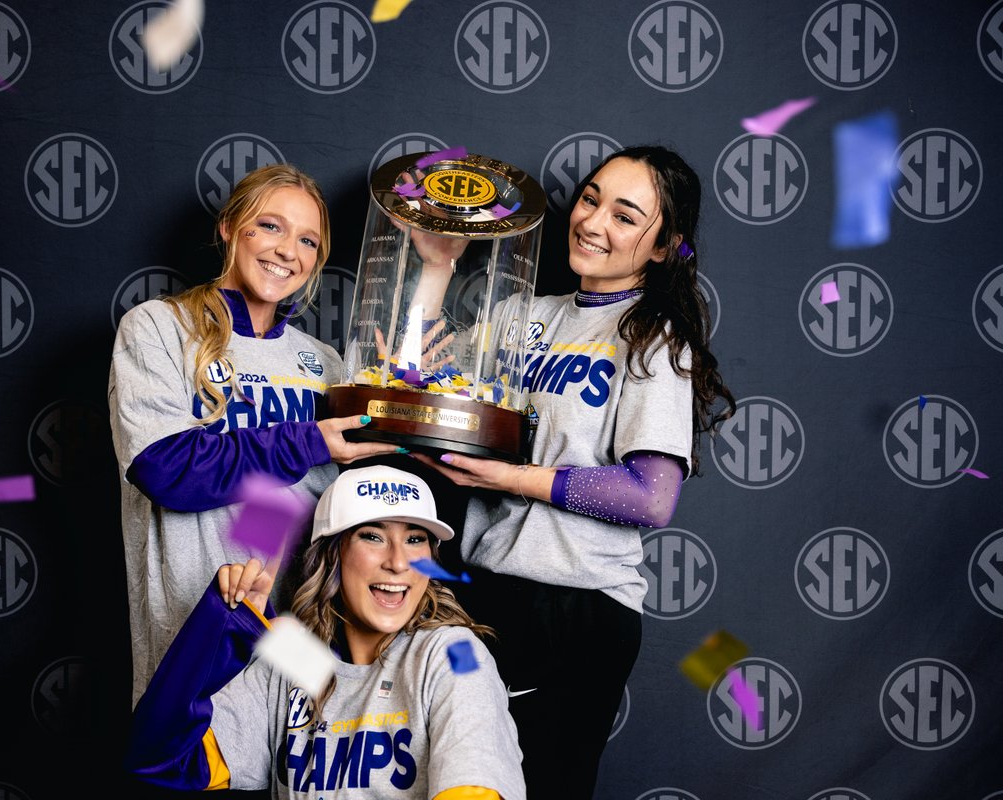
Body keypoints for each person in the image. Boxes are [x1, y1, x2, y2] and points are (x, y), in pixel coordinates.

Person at [412, 145, 736, 797]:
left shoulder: (653, 337)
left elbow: (652, 497)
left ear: (663, 246)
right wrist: (438, 267)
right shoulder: (520, 316)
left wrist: (513, 478)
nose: (592, 221)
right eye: (590, 199)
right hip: (481, 593)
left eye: (625, 215)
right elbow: (418, 386)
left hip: (578, 606)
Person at [109, 164, 400, 707]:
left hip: (304, 643)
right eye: (270, 226)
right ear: (229, 227)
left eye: (308, 240)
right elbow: (165, 469)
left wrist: (407, 386)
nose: (288, 250)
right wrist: (307, 442)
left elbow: (362, 500)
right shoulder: (158, 328)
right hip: (197, 631)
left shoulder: (325, 362)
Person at [125, 464, 526, 799]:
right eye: (373, 535)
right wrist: (227, 629)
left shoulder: (452, 654)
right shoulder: (295, 662)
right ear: (331, 554)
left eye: (415, 539)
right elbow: (161, 760)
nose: (399, 562)